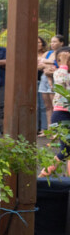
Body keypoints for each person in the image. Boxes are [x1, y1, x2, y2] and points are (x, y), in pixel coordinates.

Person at [40, 46, 70, 177]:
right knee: (65, 151)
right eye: (61, 59)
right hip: (62, 115)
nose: (66, 61)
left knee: (67, 152)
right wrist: (63, 65)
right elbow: (62, 84)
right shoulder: (58, 73)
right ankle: (42, 176)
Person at [39, 35, 64, 131]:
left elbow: (61, 66)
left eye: (55, 42)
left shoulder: (63, 53)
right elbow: (39, 65)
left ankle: (56, 130)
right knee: (47, 106)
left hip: (56, 79)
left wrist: (46, 63)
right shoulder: (48, 53)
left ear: (61, 43)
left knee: (55, 106)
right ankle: (49, 129)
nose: (52, 44)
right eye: (51, 41)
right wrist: (50, 64)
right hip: (44, 79)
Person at [36, 36, 48, 132]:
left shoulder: (47, 54)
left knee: (44, 106)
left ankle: (44, 128)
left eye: (39, 42)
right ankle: (35, 128)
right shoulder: (30, 54)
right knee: (35, 106)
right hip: (33, 82)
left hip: (44, 81)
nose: (37, 44)